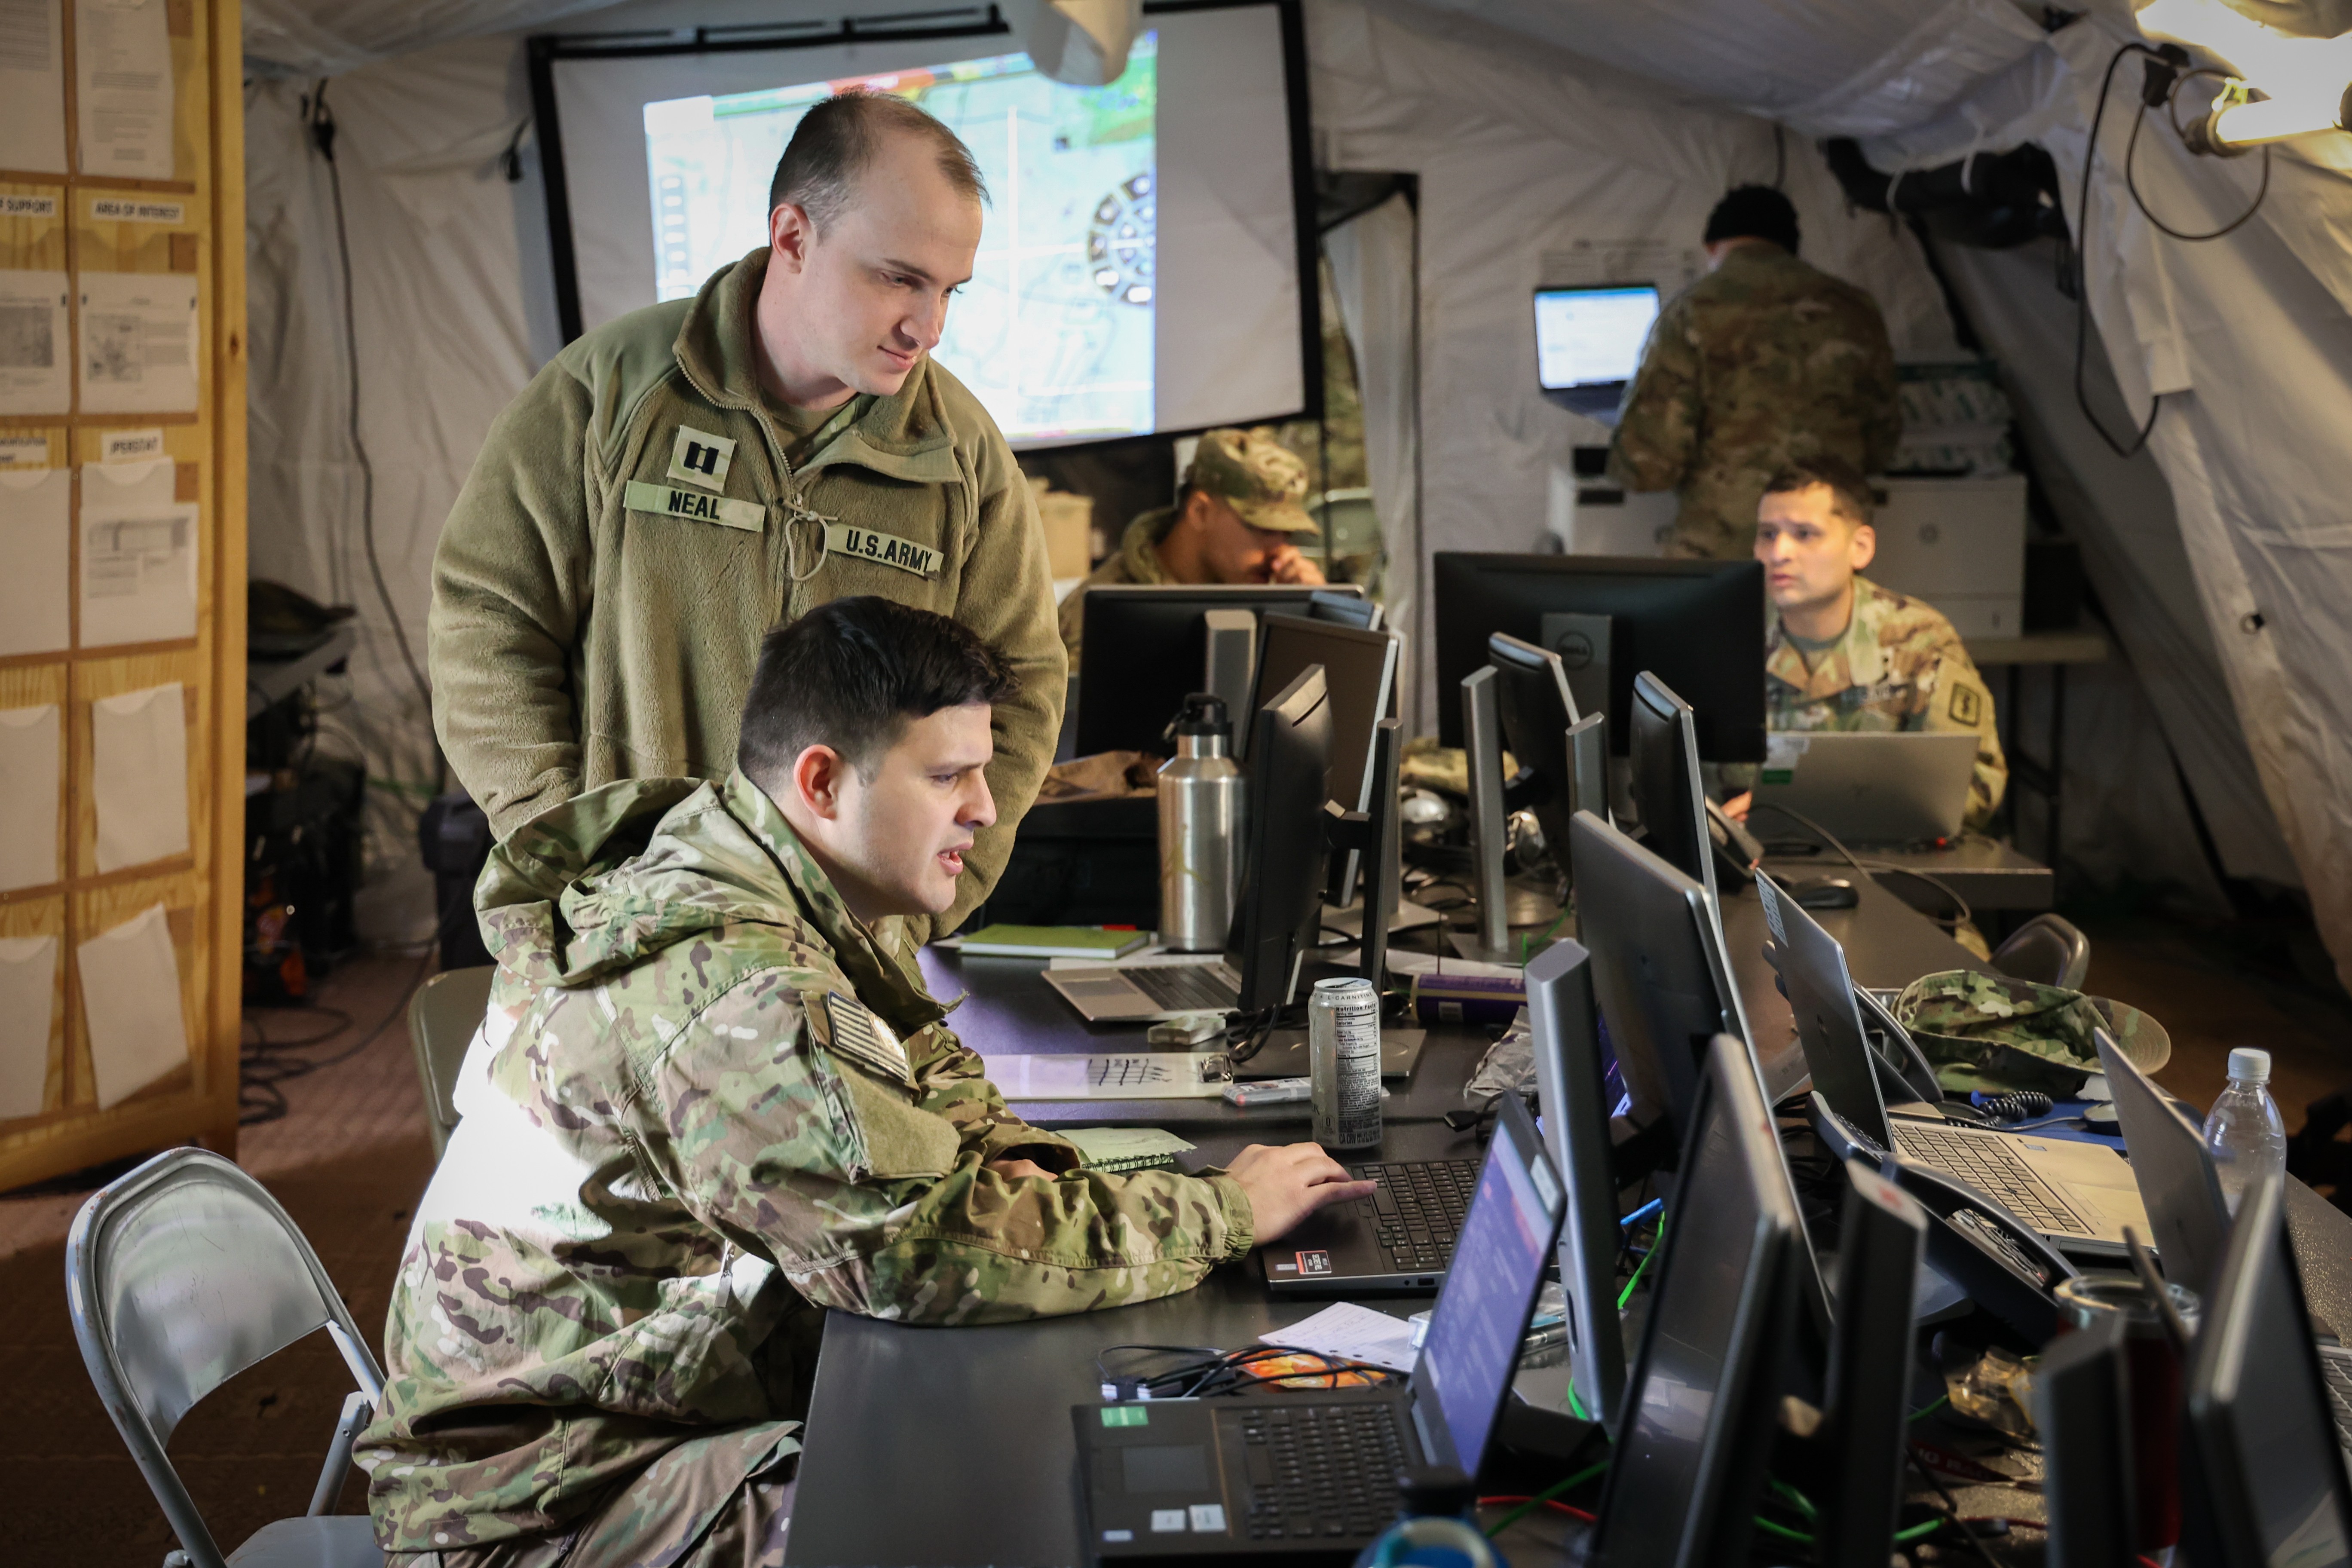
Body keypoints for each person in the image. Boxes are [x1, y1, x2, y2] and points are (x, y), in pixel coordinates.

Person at [361, 598, 1373, 1567]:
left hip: (643, 1408)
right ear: (821, 781)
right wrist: (1219, 1214)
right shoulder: (735, 987)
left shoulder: (767, 871)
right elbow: (913, 1256)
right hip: (541, 1501)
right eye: (947, 777)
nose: (983, 807)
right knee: (992, 1513)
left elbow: (933, 1079)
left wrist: (1029, 1188)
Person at [428, 91, 1063, 942]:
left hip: (847, 969)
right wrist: (576, 859)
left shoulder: (963, 460)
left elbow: (1021, 690)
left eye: (950, 289)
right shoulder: (606, 397)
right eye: (898, 278)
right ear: (793, 238)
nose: (929, 325)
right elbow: (487, 623)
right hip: (629, 944)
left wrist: (913, 912)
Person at [1608, 185, 1901, 561]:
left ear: (1712, 246)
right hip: (1829, 545)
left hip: (1726, 546)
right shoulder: (1856, 309)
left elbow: (1649, 463)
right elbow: (1881, 442)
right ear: (1790, 244)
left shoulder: (1693, 311)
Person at [1734, 456, 2006, 831]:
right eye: (1767, 534)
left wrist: (1812, 813)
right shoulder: (1726, 631)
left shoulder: (1919, 640)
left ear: (1859, 547)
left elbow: (1973, 784)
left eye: (1804, 534)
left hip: (1881, 858)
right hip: (1743, 859)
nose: (1779, 552)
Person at [1056, 426, 1324, 668]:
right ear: (1200, 512)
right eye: (1263, 529)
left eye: (1287, 533)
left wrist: (1315, 620)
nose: (1281, 552)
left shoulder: (1263, 592)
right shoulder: (1098, 620)